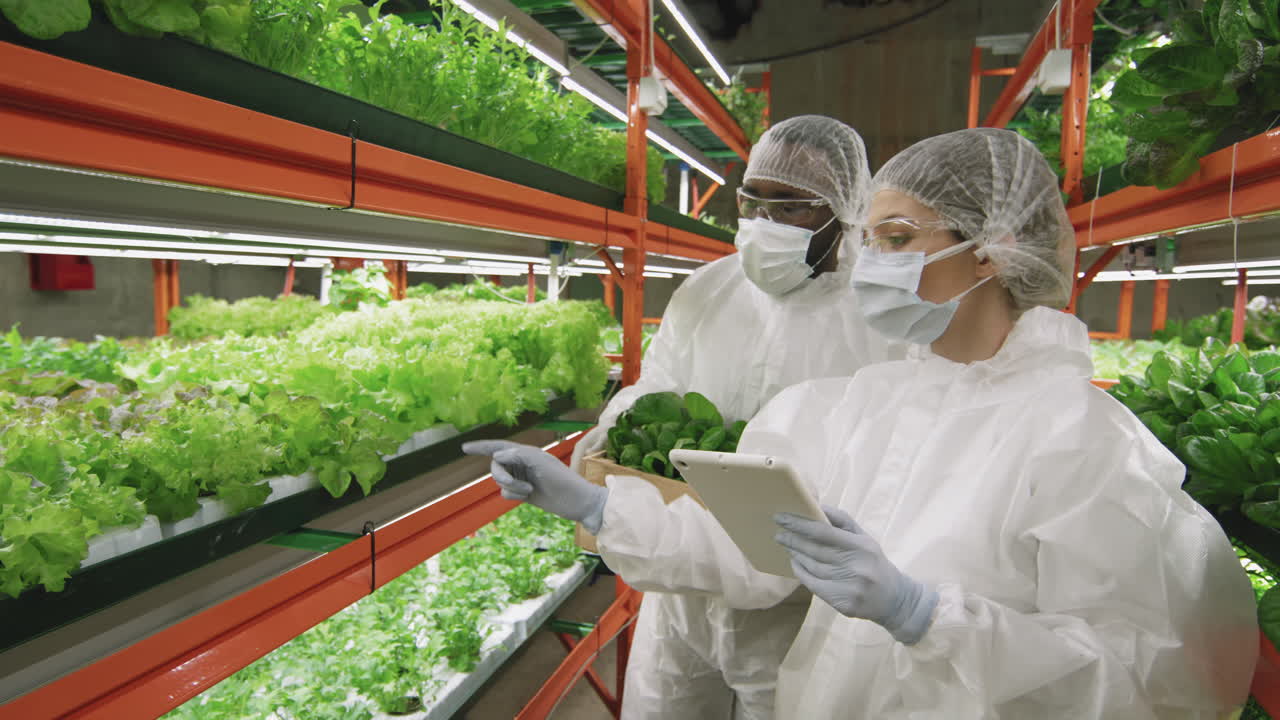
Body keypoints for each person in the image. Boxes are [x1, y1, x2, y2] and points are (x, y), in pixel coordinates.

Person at [466, 128, 1258, 718]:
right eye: (871, 241)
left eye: (899, 240)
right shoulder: (856, 406)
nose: (872, 265)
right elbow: (751, 547)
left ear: (994, 250)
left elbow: (1143, 680)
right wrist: (597, 505)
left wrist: (926, 617)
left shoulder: (1082, 440)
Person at [477, 115, 899, 720]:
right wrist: (609, 437)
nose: (765, 223)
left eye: (790, 207)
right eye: (753, 203)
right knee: (665, 704)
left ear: (843, 212)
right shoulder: (709, 289)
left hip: (801, 605)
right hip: (680, 578)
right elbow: (660, 384)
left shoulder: (879, 317)